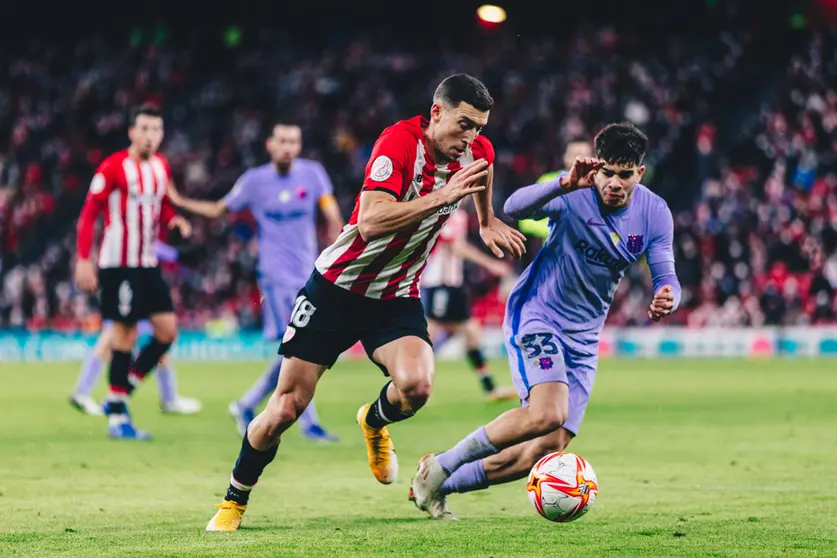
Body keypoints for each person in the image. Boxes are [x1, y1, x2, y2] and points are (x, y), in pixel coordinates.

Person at [205, 73, 527, 531]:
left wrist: (486, 217)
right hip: (336, 287)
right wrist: (446, 195)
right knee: (285, 408)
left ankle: (373, 422)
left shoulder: (477, 151)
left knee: (417, 386)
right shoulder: (397, 143)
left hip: (395, 294)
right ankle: (235, 499)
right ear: (436, 113)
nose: (471, 137)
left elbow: (485, 167)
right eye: (463, 124)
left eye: (479, 126)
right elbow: (373, 222)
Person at [409, 122, 681, 519]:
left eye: (625, 175)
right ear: (597, 166)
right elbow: (515, 207)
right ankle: (442, 464)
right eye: (608, 172)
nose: (615, 183)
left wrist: (668, 296)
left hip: (584, 338)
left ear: (639, 173)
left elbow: (666, 275)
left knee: (544, 448)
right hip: (538, 316)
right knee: (547, 413)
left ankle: (435, 484)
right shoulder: (573, 192)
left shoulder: (654, 213)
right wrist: (562, 184)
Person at [167, 122, 343, 442]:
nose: (287, 146)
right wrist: (180, 201)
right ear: (270, 145)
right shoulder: (254, 182)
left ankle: (247, 404)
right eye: (282, 141)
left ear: (299, 146)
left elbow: (330, 212)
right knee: (301, 347)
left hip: (310, 273)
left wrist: (339, 237)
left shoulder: (313, 174)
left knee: (301, 348)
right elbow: (220, 208)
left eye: (293, 141)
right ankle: (305, 423)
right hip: (274, 277)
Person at [75, 104, 192, 440]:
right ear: (131, 132)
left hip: (147, 263)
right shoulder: (113, 168)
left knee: (167, 332)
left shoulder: (160, 167)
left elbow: (163, 203)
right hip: (118, 264)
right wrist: (84, 260)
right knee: (124, 335)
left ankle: (120, 390)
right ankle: (118, 419)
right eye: (143, 129)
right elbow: (88, 214)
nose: (150, 136)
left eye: (156, 130)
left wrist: (174, 220)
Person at [69, 241, 200, 416]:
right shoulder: (132, 230)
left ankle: (168, 397)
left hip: (128, 279)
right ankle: (86, 392)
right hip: (129, 281)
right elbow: (146, 245)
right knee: (116, 338)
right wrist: (176, 255)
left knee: (157, 343)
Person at [420, 201, 517, 401]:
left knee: (472, 333)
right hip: (438, 282)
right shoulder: (443, 215)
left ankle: (490, 388)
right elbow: (457, 247)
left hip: (453, 284)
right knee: (429, 333)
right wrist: (491, 264)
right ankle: (415, 387)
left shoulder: (459, 216)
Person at [518, 138, 593, 241]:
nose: (581, 160)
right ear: (565, 157)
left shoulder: (599, 185)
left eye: (585, 155)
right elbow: (525, 220)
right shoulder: (549, 181)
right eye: (576, 155)